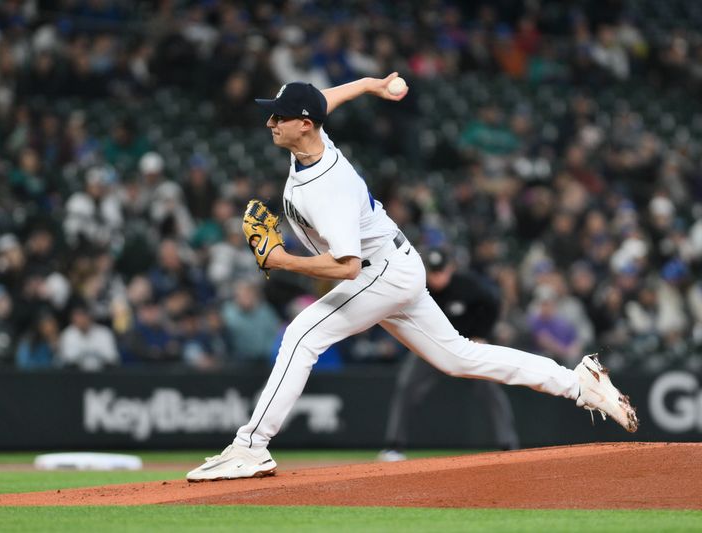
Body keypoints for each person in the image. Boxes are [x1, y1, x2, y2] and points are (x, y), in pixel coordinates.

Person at [187, 74, 638, 482]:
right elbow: (325, 100)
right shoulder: (311, 136)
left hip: (378, 270)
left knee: (302, 337)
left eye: (279, 116)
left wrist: (281, 259)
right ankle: (580, 383)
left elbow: (345, 267)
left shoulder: (327, 188)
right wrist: (369, 84)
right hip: (395, 264)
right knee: (460, 358)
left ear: (304, 125)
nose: (270, 122)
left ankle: (250, 447)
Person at [379, 247, 520, 461]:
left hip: (466, 348)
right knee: (406, 385)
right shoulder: (419, 285)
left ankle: (508, 444)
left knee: (490, 391)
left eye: (441, 271)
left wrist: (481, 334)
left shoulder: (466, 285)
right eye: (433, 271)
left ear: (451, 268)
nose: (437, 276)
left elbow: (492, 303)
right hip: (430, 348)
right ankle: (394, 447)